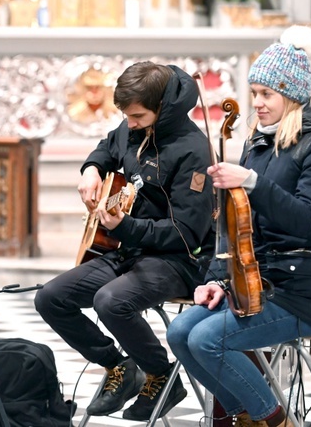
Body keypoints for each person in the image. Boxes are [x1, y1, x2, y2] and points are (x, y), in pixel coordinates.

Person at [166, 25, 311, 427]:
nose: (258, 104)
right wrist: (215, 278)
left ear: (293, 95)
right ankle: (245, 414)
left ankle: (273, 419)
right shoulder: (258, 142)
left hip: (309, 290)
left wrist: (252, 181)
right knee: (181, 332)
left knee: (207, 339)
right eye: (255, 94)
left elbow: (305, 218)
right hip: (258, 282)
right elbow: (236, 225)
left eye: (267, 94)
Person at [35, 61, 215, 421]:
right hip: (128, 251)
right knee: (50, 298)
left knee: (110, 301)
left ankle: (162, 376)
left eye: (136, 116)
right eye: (126, 115)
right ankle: (119, 366)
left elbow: (185, 233)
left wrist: (124, 227)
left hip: (177, 260)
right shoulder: (134, 125)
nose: (129, 123)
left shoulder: (192, 149)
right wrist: (92, 169)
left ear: (162, 108)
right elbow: (108, 145)